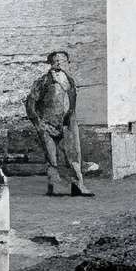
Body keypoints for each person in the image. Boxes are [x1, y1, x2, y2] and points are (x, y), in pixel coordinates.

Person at [24, 50, 91, 196]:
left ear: (67, 62)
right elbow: (30, 103)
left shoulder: (70, 81)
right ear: (50, 63)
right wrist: (39, 123)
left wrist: (70, 117)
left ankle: (78, 186)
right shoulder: (43, 81)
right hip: (47, 124)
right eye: (56, 60)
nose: (59, 63)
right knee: (52, 158)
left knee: (73, 156)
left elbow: (71, 102)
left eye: (62, 60)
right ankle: (55, 187)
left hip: (67, 123)